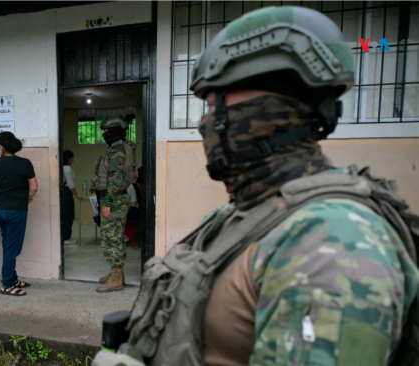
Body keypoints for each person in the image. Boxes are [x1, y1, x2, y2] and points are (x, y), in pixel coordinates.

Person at [94, 6, 419, 366]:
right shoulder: (247, 212)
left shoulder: (330, 243)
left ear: (269, 106)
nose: (204, 123)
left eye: (214, 104)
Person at [91, 115, 138, 293]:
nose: (104, 134)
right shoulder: (121, 148)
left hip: (115, 198)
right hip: (116, 197)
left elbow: (115, 178)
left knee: (112, 238)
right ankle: (117, 273)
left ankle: (116, 279)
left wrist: (107, 203)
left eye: (106, 131)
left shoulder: (118, 150)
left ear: (115, 131)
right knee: (116, 237)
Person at [0, 132, 37, 297]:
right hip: (16, 210)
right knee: (11, 249)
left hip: (0, 209)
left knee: (7, 246)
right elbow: (34, 187)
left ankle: (12, 278)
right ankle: (7, 284)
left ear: (1, 147)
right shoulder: (25, 163)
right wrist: (28, 198)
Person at [62, 150, 86, 245]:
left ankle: (62, 237)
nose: (73, 160)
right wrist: (76, 195)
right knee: (69, 215)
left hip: (62, 192)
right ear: (68, 158)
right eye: (72, 158)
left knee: (63, 216)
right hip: (66, 192)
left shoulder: (60, 168)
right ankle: (66, 238)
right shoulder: (67, 168)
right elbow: (70, 183)